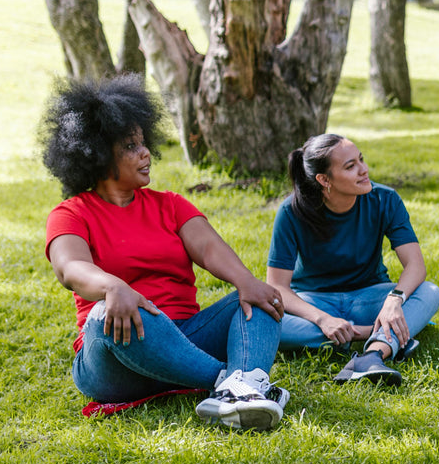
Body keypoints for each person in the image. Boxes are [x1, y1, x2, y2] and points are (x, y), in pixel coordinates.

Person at [42, 75, 290, 430]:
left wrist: (245, 281)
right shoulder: (71, 213)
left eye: (144, 143)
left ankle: (240, 387)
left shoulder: (170, 205)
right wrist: (113, 287)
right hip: (116, 361)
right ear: (96, 153)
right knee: (111, 312)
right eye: (130, 146)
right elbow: (70, 267)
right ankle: (235, 385)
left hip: (187, 338)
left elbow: (207, 247)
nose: (145, 153)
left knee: (258, 298)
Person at [267, 133, 439, 386]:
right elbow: (278, 288)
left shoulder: (385, 199)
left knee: (430, 292)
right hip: (314, 303)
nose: (364, 170)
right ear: (324, 179)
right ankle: (382, 335)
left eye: (361, 160)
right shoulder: (291, 211)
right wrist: (322, 319)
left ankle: (370, 356)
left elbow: (415, 265)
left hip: (370, 298)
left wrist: (394, 301)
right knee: (264, 320)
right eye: (351, 166)